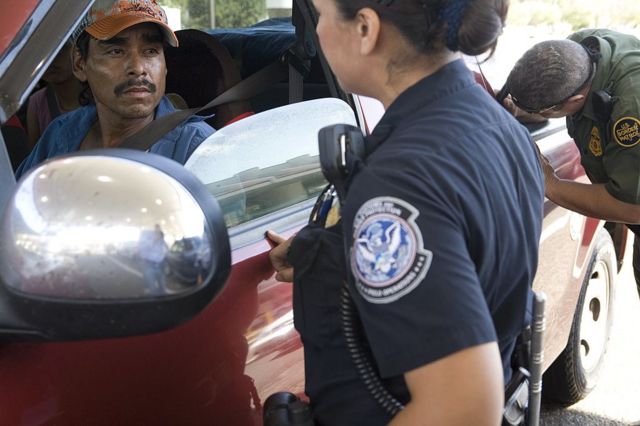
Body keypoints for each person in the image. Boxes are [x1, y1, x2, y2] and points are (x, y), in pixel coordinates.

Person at [267, 0, 544, 424]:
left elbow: (462, 409)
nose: (317, 33)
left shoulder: (398, 180)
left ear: (365, 28)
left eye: (319, 15)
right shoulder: (498, 125)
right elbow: (469, 253)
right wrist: (330, 257)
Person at [499, 29, 640, 298]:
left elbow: (633, 207)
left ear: (576, 100)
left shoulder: (632, 108)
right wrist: (517, 107)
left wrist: (550, 184)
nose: (535, 115)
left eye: (540, 111)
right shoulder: (576, 50)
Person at [15, 0, 214, 179]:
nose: (138, 68)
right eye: (116, 51)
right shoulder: (60, 134)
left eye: (151, 51)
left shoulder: (197, 147)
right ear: (79, 64)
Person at [25, 40, 84, 148]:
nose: (51, 59)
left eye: (61, 49)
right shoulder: (37, 103)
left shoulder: (99, 95)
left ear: (78, 53)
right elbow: (37, 158)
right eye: (41, 53)